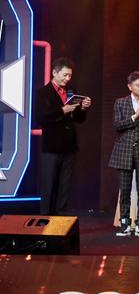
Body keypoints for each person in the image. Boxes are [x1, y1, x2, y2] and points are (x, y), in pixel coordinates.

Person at [34, 57, 92, 215]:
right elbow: (40, 117)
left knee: (64, 186)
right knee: (48, 184)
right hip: (51, 146)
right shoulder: (43, 93)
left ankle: (60, 219)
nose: (67, 79)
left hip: (69, 146)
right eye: (65, 75)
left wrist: (83, 108)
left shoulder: (71, 92)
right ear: (54, 72)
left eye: (69, 76)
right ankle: (45, 218)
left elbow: (78, 119)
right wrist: (62, 111)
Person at [109, 71, 139, 237]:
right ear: (130, 86)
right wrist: (135, 116)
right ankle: (124, 223)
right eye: (138, 85)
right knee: (125, 190)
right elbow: (117, 125)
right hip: (124, 151)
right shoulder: (121, 103)